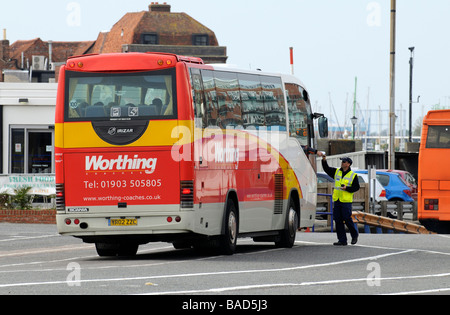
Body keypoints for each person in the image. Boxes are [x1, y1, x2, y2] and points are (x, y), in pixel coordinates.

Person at [321, 155, 360, 246]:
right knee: (338, 220)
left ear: (348, 164)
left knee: (347, 219)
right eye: (342, 161)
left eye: (344, 162)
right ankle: (342, 240)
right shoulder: (337, 172)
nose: (342, 163)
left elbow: (356, 187)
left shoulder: (353, 175)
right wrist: (324, 160)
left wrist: (347, 188)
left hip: (346, 201)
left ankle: (354, 235)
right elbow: (326, 169)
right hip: (337, 200)